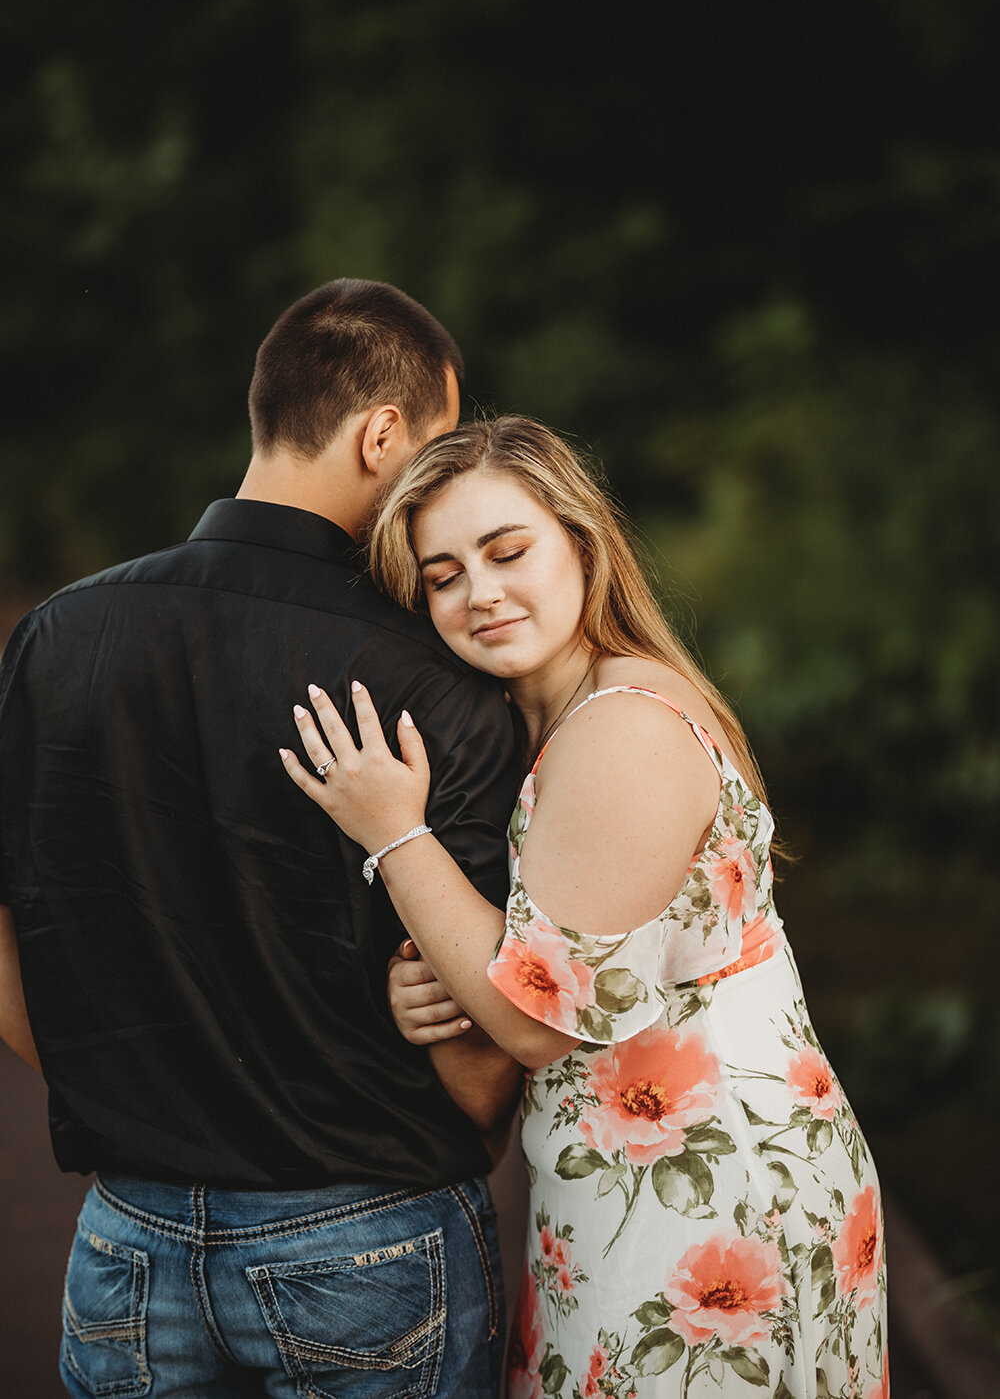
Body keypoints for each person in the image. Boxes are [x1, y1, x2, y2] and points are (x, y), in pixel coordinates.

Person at [280, 415, 888, 1398]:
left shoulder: (622, 731)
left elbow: (535, 1019)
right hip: (644, 1182)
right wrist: (431, 986)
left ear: (582, 541)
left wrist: (392, 832)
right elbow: (522, 972)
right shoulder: (562, 719)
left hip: (712, 1203)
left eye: (506, 550)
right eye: (442, 575)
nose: (479, 592)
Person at [0, 280, 523, 1398]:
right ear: (383, 434)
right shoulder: (442, 683)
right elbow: (482, 1063)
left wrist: (128, 1094)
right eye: (434, 447)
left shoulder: (54, 640)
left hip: (125, 1241)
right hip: (370, 1229)